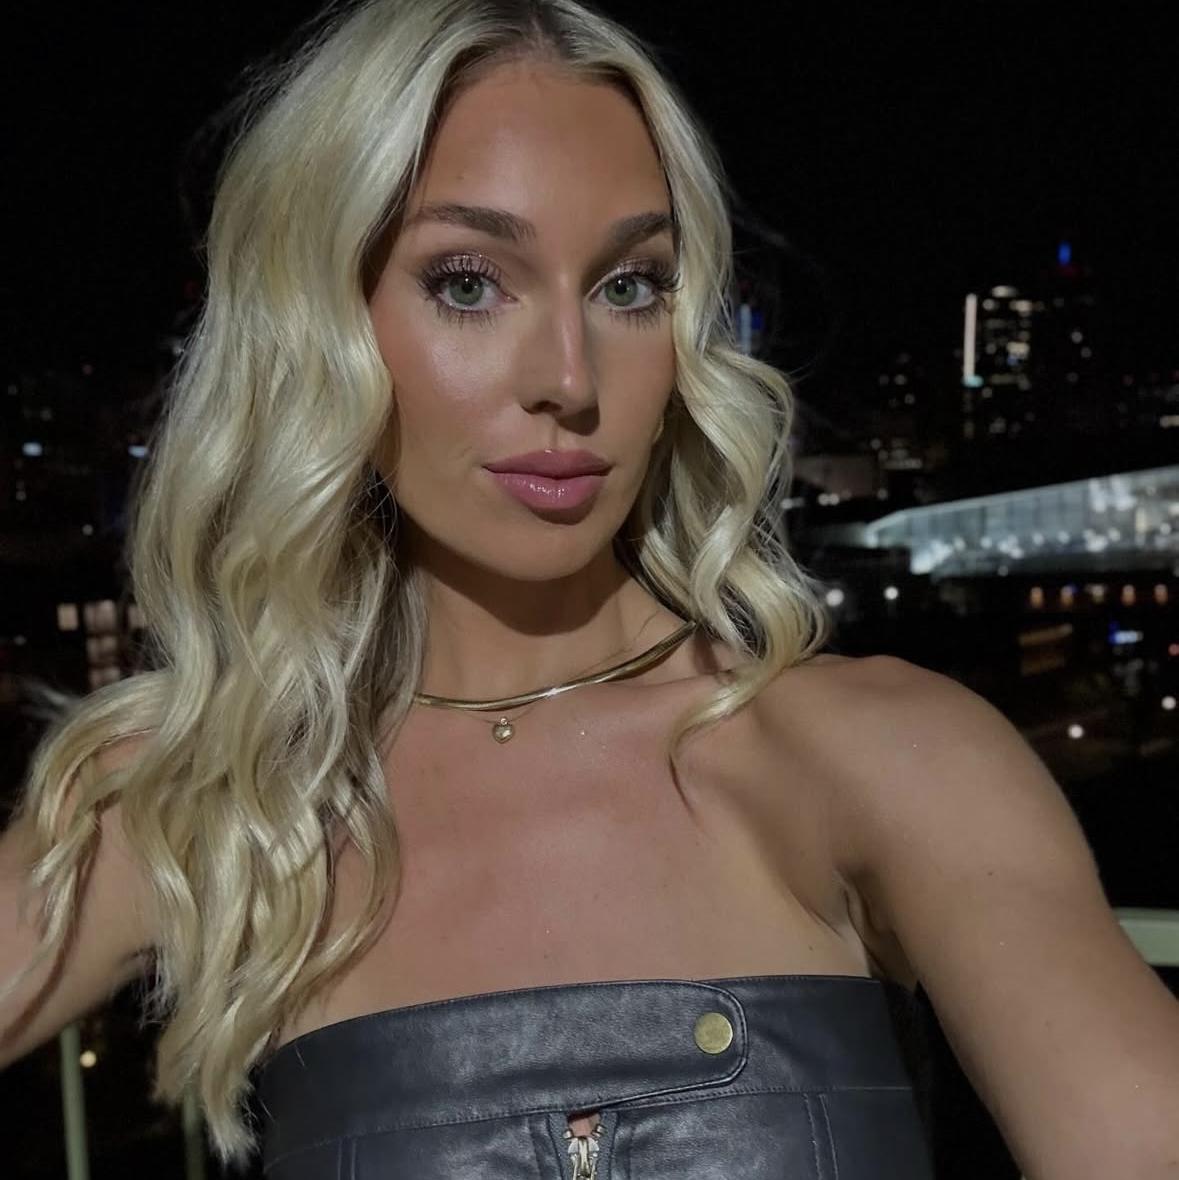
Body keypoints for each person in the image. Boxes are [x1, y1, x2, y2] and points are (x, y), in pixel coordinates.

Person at [3, 0, 1178, 1176]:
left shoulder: (890, 755)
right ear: (321, 324)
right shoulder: (220, 795)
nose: (570, 378)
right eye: (470, 283)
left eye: (628, 285)